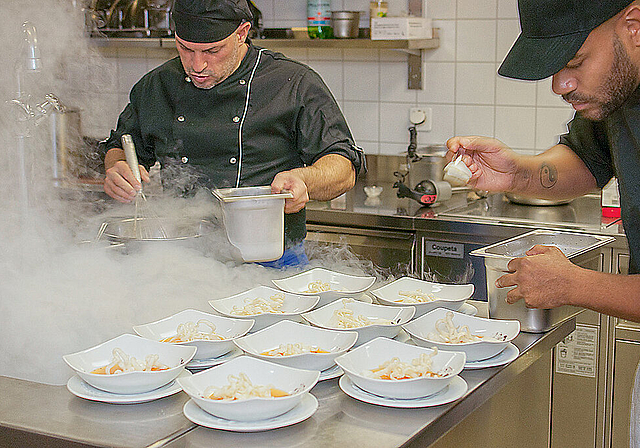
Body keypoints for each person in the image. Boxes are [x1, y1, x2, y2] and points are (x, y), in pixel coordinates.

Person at [101, 0, 364, 267]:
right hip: (182, 259)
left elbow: (343, 168)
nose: (197, 65)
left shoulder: (293, 83)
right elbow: (120, 144)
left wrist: (305, 179)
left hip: (271, 259)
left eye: (212, 50)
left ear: (242, 33)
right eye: (185, 48)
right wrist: (117, 167)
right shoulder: (156, 85)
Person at [446, 0, 640, 321]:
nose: (559, 85)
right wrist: (516, 174)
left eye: (575, 62)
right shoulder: (619, 89)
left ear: (634, 25)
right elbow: (586, 160)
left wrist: (573, 284)